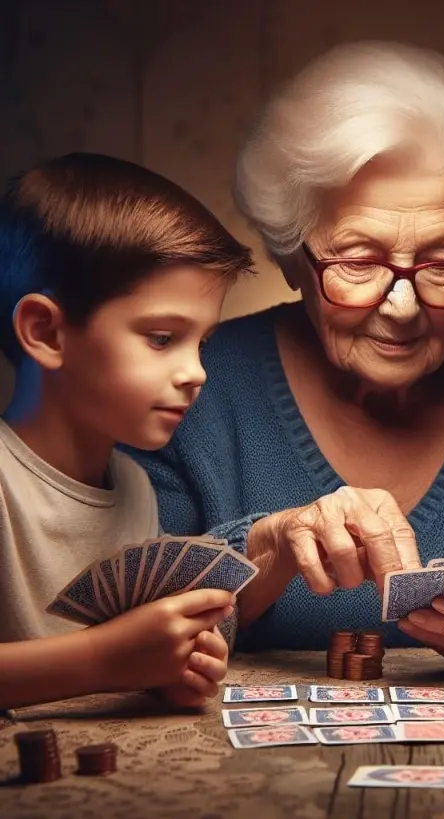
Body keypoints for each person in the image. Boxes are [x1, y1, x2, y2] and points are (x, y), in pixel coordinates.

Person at [129, 41, 444, 671]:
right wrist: (267, 547)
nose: (402, 307)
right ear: (295, 259)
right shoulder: (188, 384)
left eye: (442, 261)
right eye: (357, 261)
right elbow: (130, 619)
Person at [0, 153, 253, 709]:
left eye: (202, 344)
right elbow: (100, 663)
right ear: (44, 331)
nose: (197, 372)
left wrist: (172, 664)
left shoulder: (136, 486)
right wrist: (103, 660)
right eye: (162, 338)